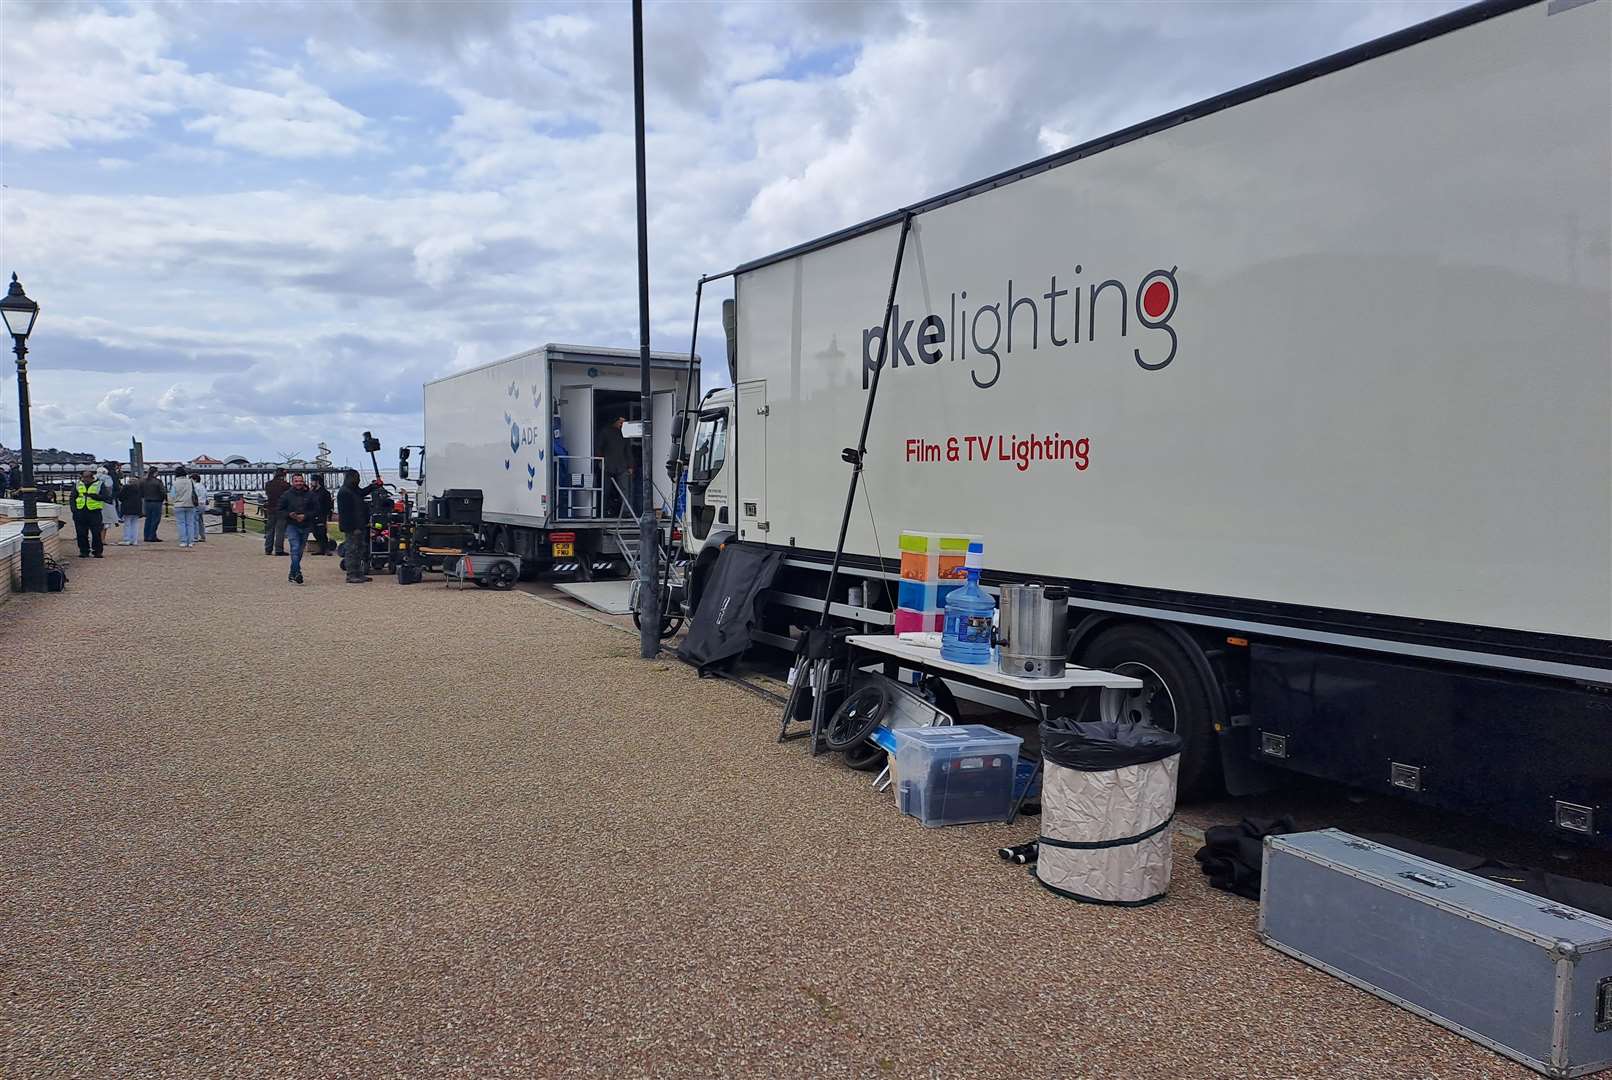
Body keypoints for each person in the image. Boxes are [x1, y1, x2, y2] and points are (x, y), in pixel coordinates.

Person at [278, 473, 318, 585]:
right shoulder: (286, 495)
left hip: (305, 525)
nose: (299, 483)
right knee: (295, 549)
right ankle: (297, 573)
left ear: (303, 481)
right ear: (292, 482)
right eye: (296, 481)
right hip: (292, 525)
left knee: (299, 551)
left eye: (300, 481)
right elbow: (280, 509)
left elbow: (316, 509)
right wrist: (289, 514)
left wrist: (305, 516)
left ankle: (292, 572)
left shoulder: (310, 495)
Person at [337, 469, 372, 583]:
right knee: (352, 550)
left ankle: (358, 572)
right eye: (357, 477)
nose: (359, 480)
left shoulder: (353, 490)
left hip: (360, 524)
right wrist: (353, 527)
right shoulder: (344, 493)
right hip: (352, 527)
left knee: (359, 550)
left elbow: (362, 493)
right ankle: (351, 574)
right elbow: (346, 513)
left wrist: (372, 486)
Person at [599, 414, 635, 517]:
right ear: (614, 421)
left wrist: (631, 466)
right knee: (605, 490)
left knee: (625, 490)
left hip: (622, 466)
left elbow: (628, 451)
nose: (622, 424)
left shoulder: (624, 433)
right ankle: (603, 511)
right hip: (607, 466)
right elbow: (599, 448)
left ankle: (626, 512)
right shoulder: (605, 432)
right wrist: (600, 461)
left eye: (623, 422)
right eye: (620, 422)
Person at [72, 469, 106, 558]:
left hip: (94, 512)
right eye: (83, 477)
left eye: (87, 477)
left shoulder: (99, 484)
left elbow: (105, 497)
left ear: (92, 477)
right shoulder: (78, 484)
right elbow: (72, 498)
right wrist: (74, 510)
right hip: (80, 511)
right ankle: (84, 551)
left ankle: (97, 551)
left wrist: (94, 496)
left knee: (96, 533)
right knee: (81, 533)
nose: (84, 479)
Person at [169, 467, 201, 549]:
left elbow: (172, 495)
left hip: (179, 505)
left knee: (181, 524)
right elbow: (196, 493)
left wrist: (175, 501)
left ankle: (183, 541)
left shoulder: (175, 483)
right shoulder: (190, 482)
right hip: (190, 505)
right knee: (190, 523)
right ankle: (190, 541)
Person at [262, 467, 290, 556]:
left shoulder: (268, 484)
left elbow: (268, 495)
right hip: (281, 510)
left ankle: (268, 549)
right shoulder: (286, 485)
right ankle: (278, 549)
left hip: (270, 509)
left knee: (270, 530)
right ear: (283, 475)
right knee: (280, 531)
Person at [310, 475, 335, 555]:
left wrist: (327, 514)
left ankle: (326, 548)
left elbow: (328, 504)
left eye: (313, 481)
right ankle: (321, 548)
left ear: (317, 481)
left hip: (321, 514)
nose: (311, 482)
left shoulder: (324, 492)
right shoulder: (312, 492)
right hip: (313, 514)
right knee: (315, 532)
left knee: (322, 532)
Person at [140, 467, 166, 542]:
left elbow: (141, 492)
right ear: (155, 473)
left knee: (148, 519)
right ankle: (152, 536)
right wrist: (162, 499)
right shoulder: (158, 482)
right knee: (155, 520)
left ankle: (146, 536)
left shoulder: (144, 481)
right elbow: (163, 492)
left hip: (147, 502)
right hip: (156, 502)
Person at [116, 475, 144, 545]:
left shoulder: (126, 488)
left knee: (127, 524)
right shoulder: (139, 489)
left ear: (129, 482)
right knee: (135, 524)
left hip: (127, 507)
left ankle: (127, 539)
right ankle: (134, 540)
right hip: (137, 507)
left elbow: (120, 497)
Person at [94, 465, 117, 546]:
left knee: (96, 522)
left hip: (95, 503)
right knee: (106, 522)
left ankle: (96, 538)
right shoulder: (108, 479)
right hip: (107, 502)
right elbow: (111, 490)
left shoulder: (94, 479)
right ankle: (102, 539)